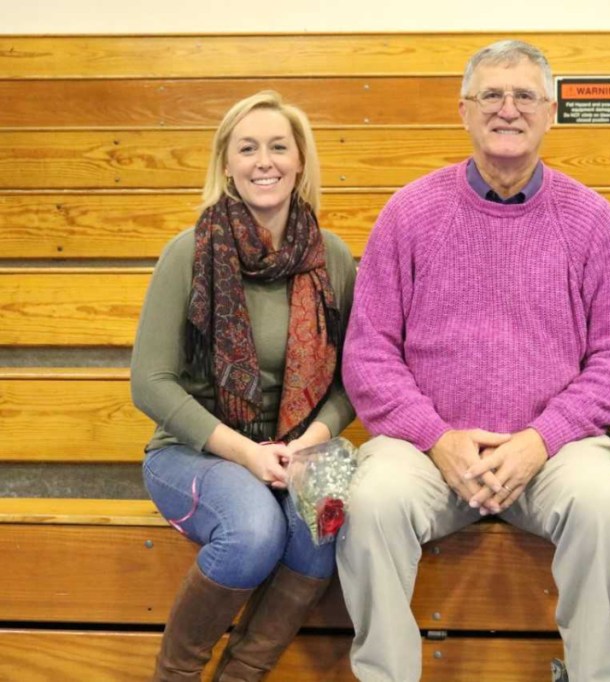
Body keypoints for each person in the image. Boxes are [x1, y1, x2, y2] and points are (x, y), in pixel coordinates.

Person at [338, 39, 610, 681]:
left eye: (525, 95)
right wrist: (437, 439)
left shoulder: (592, 220)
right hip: (427, 451)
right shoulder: (409, 213)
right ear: (465, 111)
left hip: (554, 453)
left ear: (551, 112)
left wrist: (540, 440)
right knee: (371, 500)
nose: (508, 109)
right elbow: (369, 355)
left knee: (603, 503)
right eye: (492, 96)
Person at [130, 90, 357, 681]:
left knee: (325, 527)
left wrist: (314, 439)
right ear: (226, 164)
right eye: (248, 148)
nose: (265, 161)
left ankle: (242, 675)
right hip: (195, 452)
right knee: (255, 530)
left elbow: (357, 378)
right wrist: (246, 453)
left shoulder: (331, 258)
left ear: (300, 160)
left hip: (297, 446)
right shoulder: (190, 252)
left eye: (279, 147)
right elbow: (149, 383)